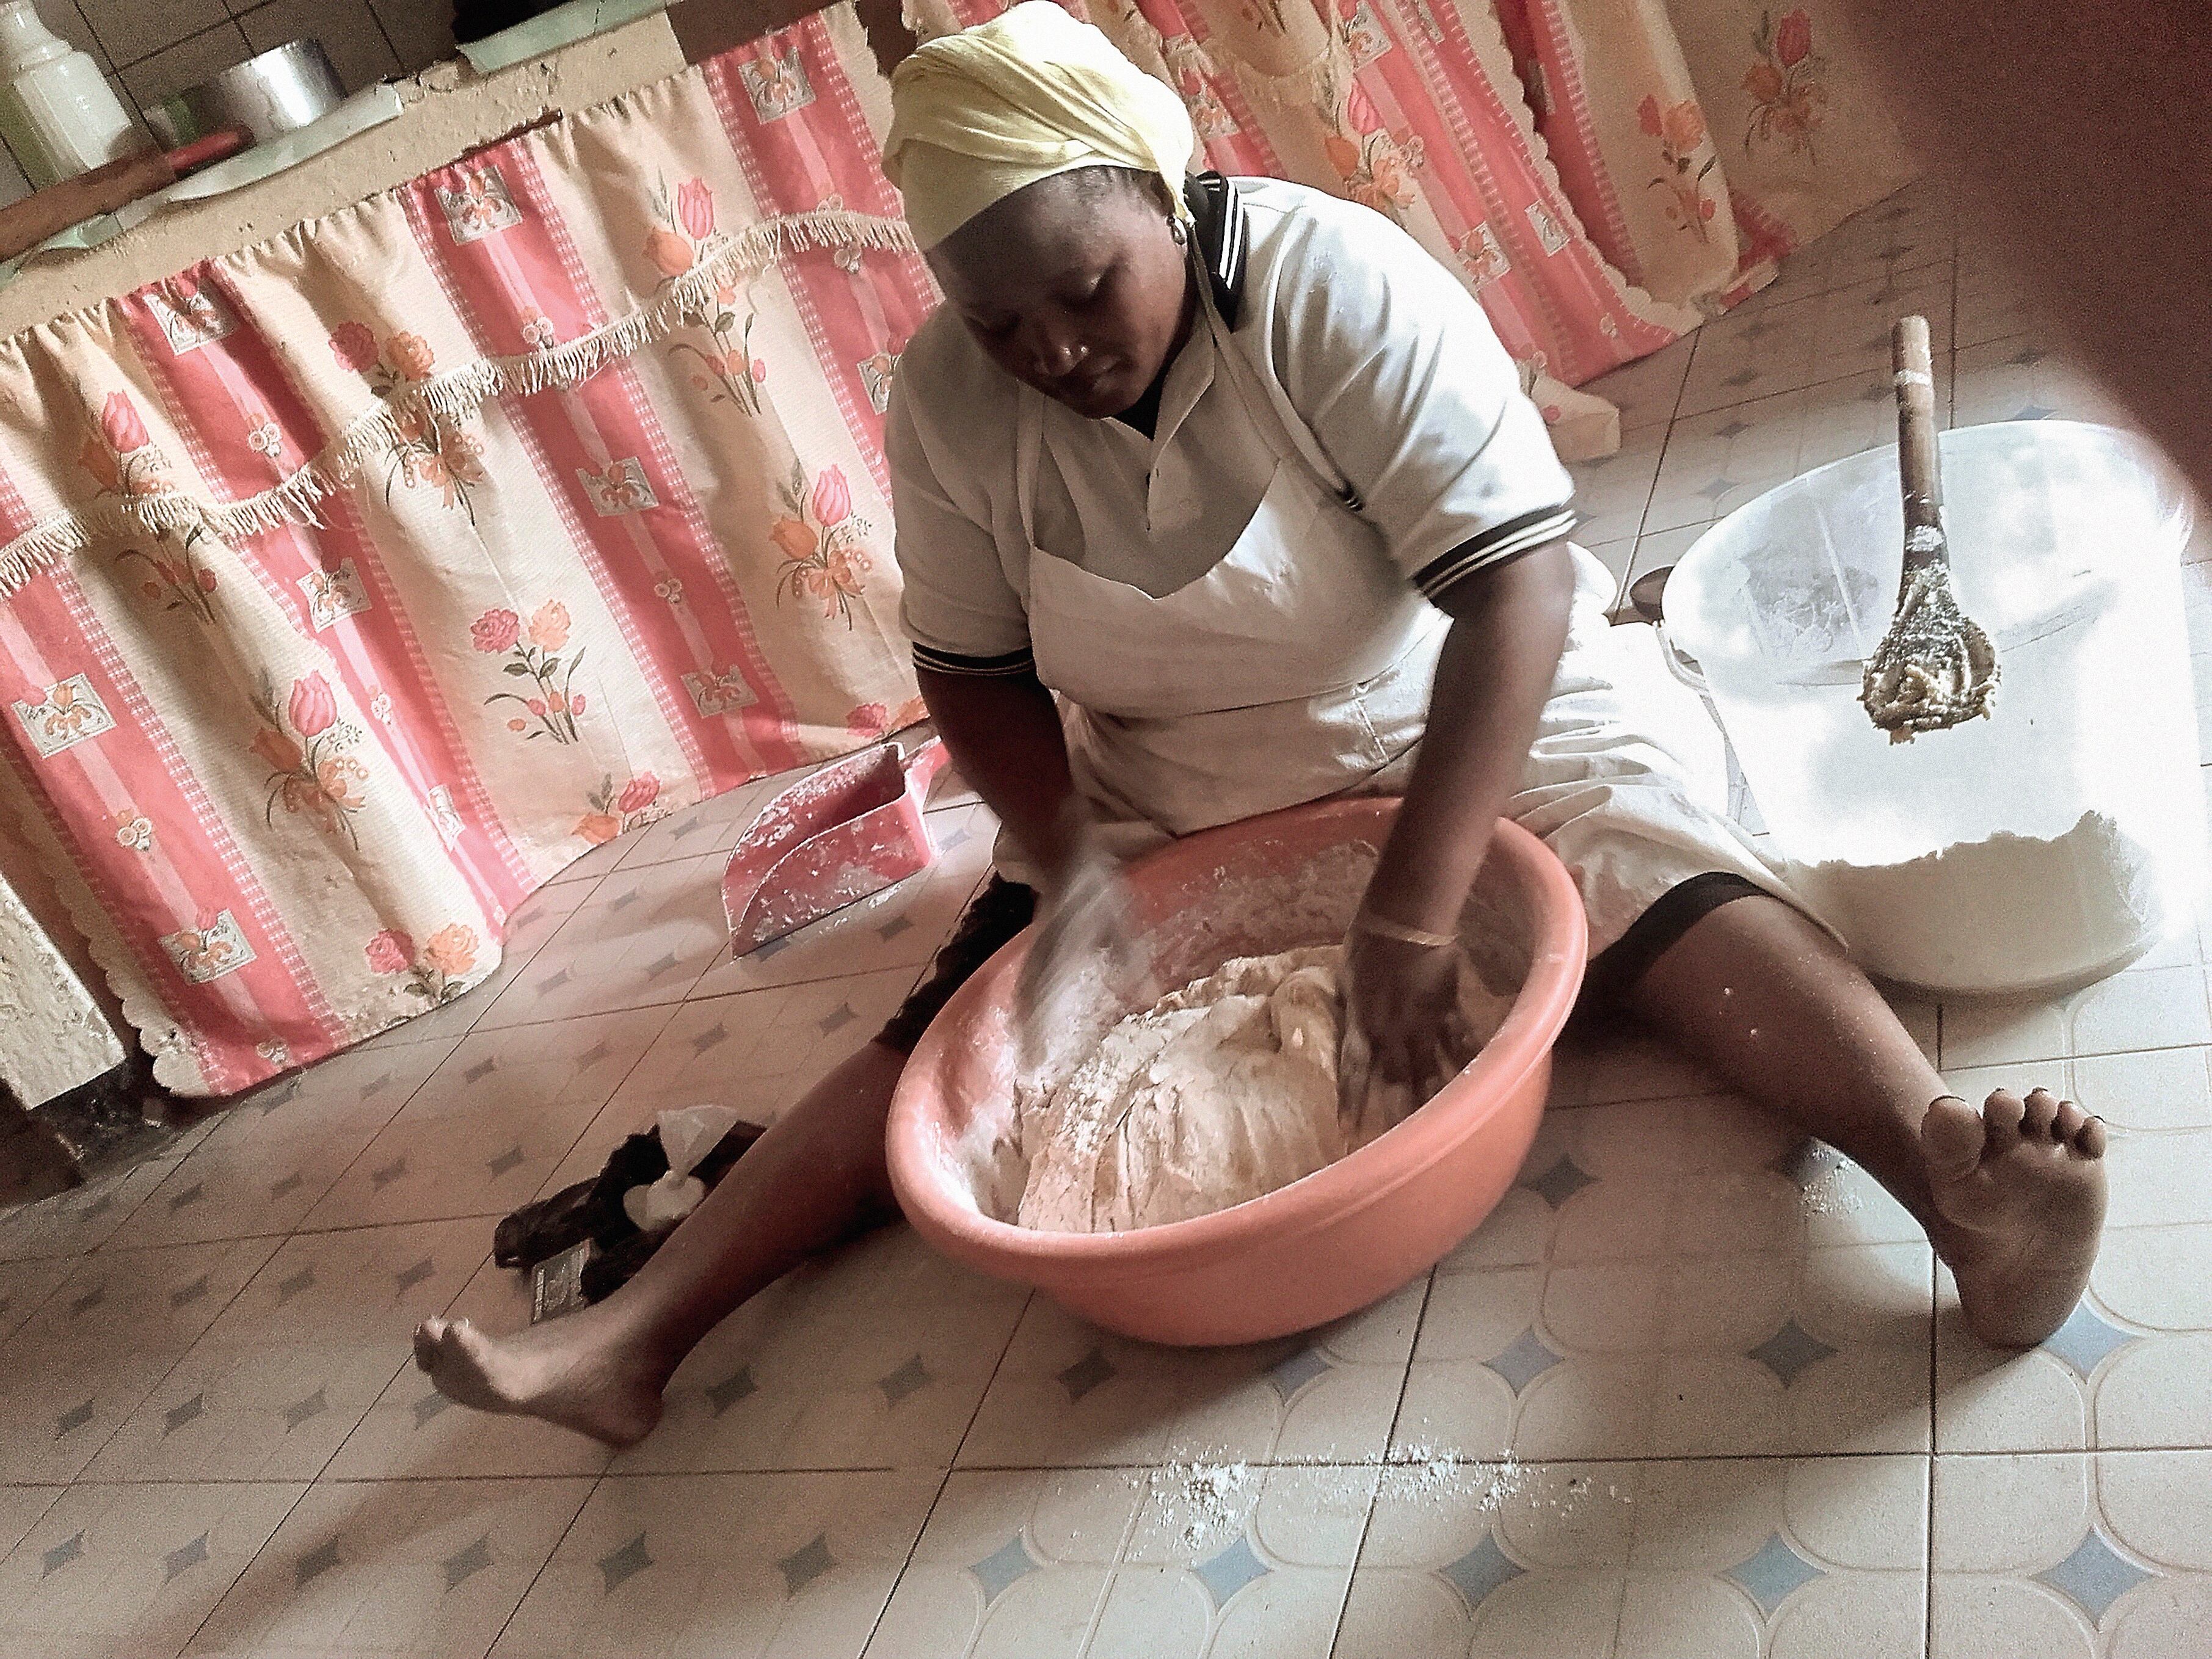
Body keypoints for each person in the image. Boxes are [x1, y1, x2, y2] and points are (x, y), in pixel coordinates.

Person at [414, 2, 2106, 1447]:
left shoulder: (1323, 283)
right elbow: (975, 676)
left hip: (1465, 702)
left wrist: (1417, 905)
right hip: (1174, 786)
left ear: (1163, 195)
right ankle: (636, 1343)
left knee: (1651, 861)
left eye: (1084, 291)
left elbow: (1513, 592)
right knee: (973, 1018)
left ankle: (1947, 1179)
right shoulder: (948, 401)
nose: (1053, 352)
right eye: (999, 324)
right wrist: (1069, 854)